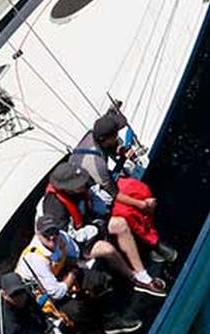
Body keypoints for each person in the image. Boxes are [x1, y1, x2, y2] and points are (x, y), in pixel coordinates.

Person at [17, 214, 140, 334]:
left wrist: (72, 274)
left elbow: (74, 255)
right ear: (38, 234)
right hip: (45, 296)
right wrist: (72, 276)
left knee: (99, 280)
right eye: (47, 234)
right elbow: (56, 293)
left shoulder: (61, 237)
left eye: (54, 232)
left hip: (63, 276)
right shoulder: (35, 258)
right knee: (76, 311)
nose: (52, 237)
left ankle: (110, 322)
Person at [41, 162, 166, 297]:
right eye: (78, 184)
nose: (83, 184)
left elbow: (97, 194)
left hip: (94, 223)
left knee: (120, 224)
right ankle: (135, 278)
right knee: (107, 249)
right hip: (78, 243)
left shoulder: (82, 181)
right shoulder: (54, 206)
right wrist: (94, 229)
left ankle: (142, 273)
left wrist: (100, 212)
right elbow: (67, 238)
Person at [70, 111, 177, 264]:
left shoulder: (94, 137)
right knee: (127, 210)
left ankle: (149, 229)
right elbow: (115, 194)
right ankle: (152, 244)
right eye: (114, 136)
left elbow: (109, 147)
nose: (116, 138)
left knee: (140, 190)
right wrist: (142, 204)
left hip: (103, 183)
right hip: (90, 197)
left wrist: (120, 151)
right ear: (103, 138)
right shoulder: (95, 164)